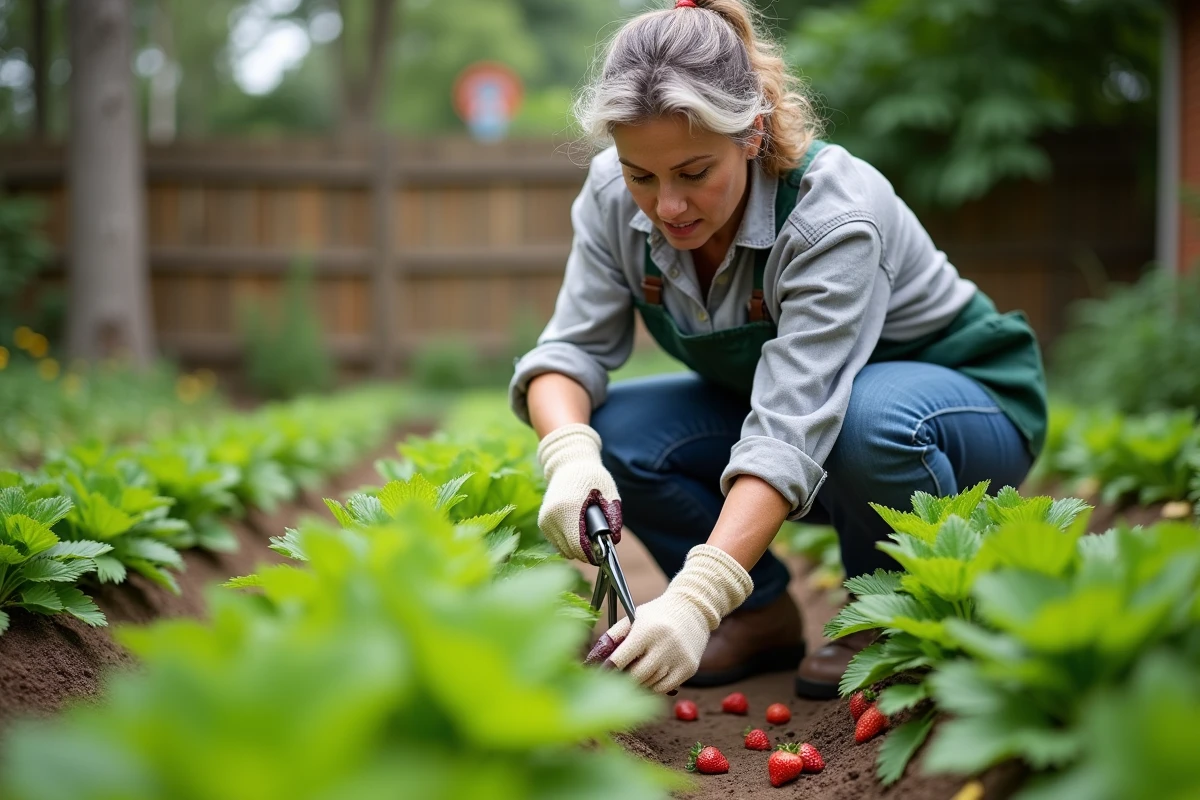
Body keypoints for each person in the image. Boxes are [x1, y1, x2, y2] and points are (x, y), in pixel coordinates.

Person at [509, 0, 1046, 698]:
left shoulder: (832, 216)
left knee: (866, 421)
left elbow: (793, 428)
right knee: (615, 434)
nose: (666, 204)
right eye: (643, 175)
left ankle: (895, 612)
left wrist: (697, 597)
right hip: (810, 429)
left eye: (694, 172)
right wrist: (569, 455)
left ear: (753, 132)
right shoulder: (613, 198)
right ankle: (760, 616)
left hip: (955, 420)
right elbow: (568, 352)